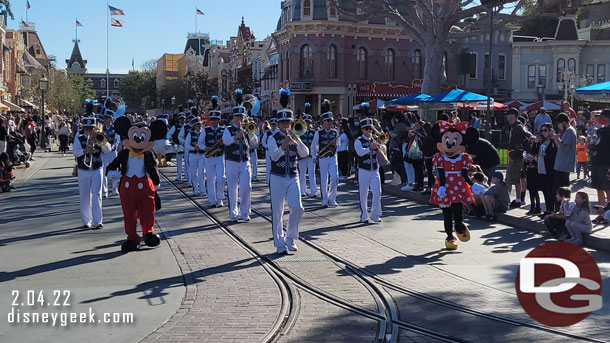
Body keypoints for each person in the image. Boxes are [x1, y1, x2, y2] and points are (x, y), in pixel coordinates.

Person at [267, 94, 309, 254]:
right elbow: (274, 157)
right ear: (278, 124)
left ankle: (290, 237)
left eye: (288, 122)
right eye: (283, 122)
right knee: (277, 212)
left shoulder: (295, 136)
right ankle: (279, 243)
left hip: (293, 176)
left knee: (298, 208)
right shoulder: (273, 138)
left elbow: (305, 154)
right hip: (277, 177)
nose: (286, 125)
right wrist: (284, 145)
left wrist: (297, 141)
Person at [223, 89, 258, 222]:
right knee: (232, 188)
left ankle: (245, 211)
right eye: (237, 117)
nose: (240, 119)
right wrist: (236, 136)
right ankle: (233, 213)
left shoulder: (248, 128)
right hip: (232, 161)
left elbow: (255, 144)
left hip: (245, 161)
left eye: (242, 117)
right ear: (234, 118)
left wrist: (249, 133)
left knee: (246, 187)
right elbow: (226, 141)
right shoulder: (228, 129)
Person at [73, 115, 111, 229]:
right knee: (85, 196)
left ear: (95, 128)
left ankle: (98, 220)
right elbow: (75, 152)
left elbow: (108, 150)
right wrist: (85, 150)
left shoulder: (99, 136)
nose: (88, 131)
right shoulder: (79, 138)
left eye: (91, 129)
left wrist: (101, 141)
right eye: (86, 129)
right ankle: (86, 221)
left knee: (97, 195)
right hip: (83, 169)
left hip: (96, 168)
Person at [311, 99, 340, 207]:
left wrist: (334, 144)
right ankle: (324, 199)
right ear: (323, 122)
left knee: (335, 178)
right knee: (324, 179)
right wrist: (314, 156)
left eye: (331, 121)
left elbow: (339, 144)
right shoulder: (318, 133)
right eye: (328, 121)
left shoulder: (335, 132)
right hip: (322, 157)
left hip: (332, 157)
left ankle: (332, 198)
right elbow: (313, 145)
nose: (330, 123)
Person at [354, 117, 382, 223]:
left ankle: (375, 214)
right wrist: (370, 148)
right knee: (363, 193)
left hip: (375, 169)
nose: (369, 131)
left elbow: (382, 149)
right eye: (366, 129)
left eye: (370, 128)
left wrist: (380, 147)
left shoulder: (374, 139)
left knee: (377, 192)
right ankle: (364, 215)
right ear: (362, 130)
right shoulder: (359, 141)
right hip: (363, 170)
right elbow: (360, 152)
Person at [199, 96, 225, 207]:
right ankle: (212, 199)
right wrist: (205, 148)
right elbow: (200, 143)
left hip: (220, 156)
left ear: (219, 120)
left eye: (216, 119)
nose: (214, 122)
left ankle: (220, 198)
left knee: (221, 178)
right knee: (210, 179)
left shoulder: (224, 130)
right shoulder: (205, 130)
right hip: (209, 157)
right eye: (212, 119)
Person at [551, 113, 577, 210]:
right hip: (561, 165)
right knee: (559, 190)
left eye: (559, 124)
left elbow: (566, 148)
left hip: (563, 166)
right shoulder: (568, 132)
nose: (558, 126)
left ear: (563, 122)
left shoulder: (570, 131)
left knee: (561, 190)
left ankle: (561, 210)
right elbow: (561, 147)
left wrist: (558, 139)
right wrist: (556, 139)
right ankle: (559, 209)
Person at [534, 123, 558, 217]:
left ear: (550, 131)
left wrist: (546, 155)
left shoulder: (552, 142)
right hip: (541, 168)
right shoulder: (541, 142)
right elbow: (534, 151)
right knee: (544, 190)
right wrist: (535, 142)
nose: (544, 132)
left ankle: (551, 210)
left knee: (550, 191)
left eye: (545, 130)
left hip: (549, 169)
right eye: (542, 130)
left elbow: (555, 155)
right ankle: (548, 209)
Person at [505, 108, 527, 208]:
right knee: (512, 178)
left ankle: (515, 200)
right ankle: (511, 199)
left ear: (513, 115)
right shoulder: (515, 126)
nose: (507, 117)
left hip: (516, 156)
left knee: (513, 179)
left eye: (508, 115)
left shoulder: (517, 127)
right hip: (515, 155)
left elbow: (522, 140)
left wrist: (514, 154)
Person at [590, 109, 610, 213]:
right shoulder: (599, 130)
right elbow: (595, 144)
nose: (599, 118)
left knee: (607, 188)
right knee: (599, 187)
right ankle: (601, 212)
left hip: (606, 164)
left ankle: (608, 212)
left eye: (601, 116)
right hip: (596, 162)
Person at [297, 103, 317, 196]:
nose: (307, 124)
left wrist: (315, 155)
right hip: (302, 157)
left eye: (309, 122)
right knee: (302, 175)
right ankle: (302, 191)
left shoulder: (314, 132)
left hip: (311, 156)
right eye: (306, 122)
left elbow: (316, 144)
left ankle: (313, 191)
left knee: (312, 174)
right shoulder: (299, 132)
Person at [101, 113, 120, 198]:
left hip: (112, 152)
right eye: (104, 119)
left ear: (110, 119)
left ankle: (114, 189)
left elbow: (117, 139)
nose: (105, 120)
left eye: (107, 118)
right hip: (104, 152)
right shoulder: (101, 128)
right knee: (104, 171)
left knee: (114, 170)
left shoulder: (115, 128)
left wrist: (114, 146)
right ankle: (104, 191)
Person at [186, 118, 205, 196]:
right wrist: (193, 148)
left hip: (201, 155)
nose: (198, 126)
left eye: (199, 125)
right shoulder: (190, 133)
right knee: (193, 173)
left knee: (201, 173)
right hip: (193, 155)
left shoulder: (203, 133)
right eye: (197, 125)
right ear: (194, 126)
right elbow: (187, 144)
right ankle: (195, 190)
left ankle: (202, 190)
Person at [389, 113, 409, 186]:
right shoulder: (405, 125)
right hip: (399, 146)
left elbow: (394, 135)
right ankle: (403, 179)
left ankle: (403, 178)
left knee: (395, 163)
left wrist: (390, 132)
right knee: (400, 164)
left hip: (396, 147)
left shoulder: (399, 125)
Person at [166, 111, 186, 181]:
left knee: (187, 161)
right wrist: (171, 139)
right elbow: (168, 134)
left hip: (186, 145)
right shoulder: (175, 127)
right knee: (179, 161)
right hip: (178, 145)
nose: (182, 120)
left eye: (183, 119)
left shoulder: (187, 126)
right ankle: (179, 175)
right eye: (181, 119)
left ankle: (186, 175)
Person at [261, 115, 278, 184]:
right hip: (268, 151)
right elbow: (263, 141)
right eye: (272, 125)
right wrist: (267, 146)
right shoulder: (267, 132)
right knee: (269, 166)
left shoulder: (278, 132)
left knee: (276, 165)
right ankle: (268, 180)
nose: (273, 126)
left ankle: (276, 180)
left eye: (275, 125)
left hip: (277, 151)